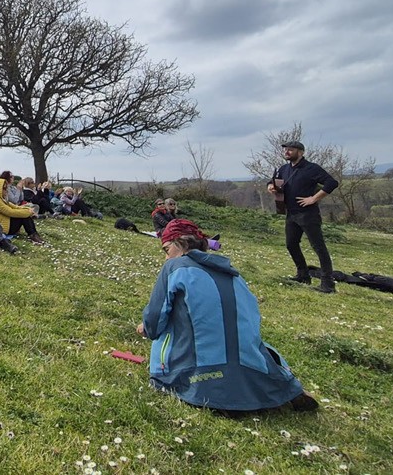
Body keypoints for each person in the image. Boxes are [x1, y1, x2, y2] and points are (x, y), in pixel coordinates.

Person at [138, 219, 319, 414]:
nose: (166, 258)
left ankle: (186, 377)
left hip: (198, 377)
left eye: (167, 250)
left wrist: (146, 328)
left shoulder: (174, 267)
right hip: (249, 369)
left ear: (181, 243)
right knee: (257, 346)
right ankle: (286, 386)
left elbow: (155, 320)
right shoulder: (235, 275)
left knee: (170, 330)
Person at [267, 141, 340, 293]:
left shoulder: (312, 168)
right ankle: (303, 275)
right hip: (291, 213)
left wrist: (314, 198)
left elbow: (332, 183)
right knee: (291, 244)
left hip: (308, 214)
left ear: (300, 152)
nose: (286, 152)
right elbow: (274, 181)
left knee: (319, 247)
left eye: (290, 150)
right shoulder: (284, 168)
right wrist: (270, 186)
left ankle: (328, 284)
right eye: (286, 150)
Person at [0, 175, 45, 244]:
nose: (6, 190)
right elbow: (10, 212)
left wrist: (28, 209)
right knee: (24, 216)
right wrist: (28, 212)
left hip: (5, 224)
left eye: (6, 188)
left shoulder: (0, 198)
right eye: (4, 188)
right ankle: (33, 235)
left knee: (25, 214)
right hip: (1, 229)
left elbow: (15, 206)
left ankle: (33, 234)